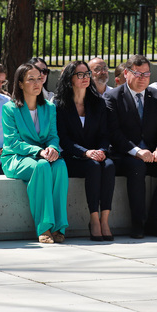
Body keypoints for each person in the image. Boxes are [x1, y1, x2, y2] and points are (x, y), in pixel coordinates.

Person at [105, 55, 157, 238]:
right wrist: (137, 151)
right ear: (126, 73)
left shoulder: (156, 96)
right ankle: (138, 223)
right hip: (124, 155)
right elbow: (114, 134)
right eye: (138, 74)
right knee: (137, 166)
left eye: (146, 74)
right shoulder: (113, 97)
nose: (143, 78)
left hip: (151, 154)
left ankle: (154, 221)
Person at [1, 63, 68, 244]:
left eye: (39, 78)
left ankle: (59, 226)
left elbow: (53, 136)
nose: (37, 83)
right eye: (31, 79)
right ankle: (44, 226)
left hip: (43, 155)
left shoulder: (49, 107)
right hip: (16, 158)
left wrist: (52, 148)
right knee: (43, 166)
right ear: (20, 84)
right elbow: (13, 142)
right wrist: (39, 151)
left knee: (60, 165)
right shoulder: (9, 108)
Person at [55, 61, 115, 241]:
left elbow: (105, 134)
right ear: (70, 79)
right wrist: (85, 152)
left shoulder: (98, 103)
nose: (85, 78)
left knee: (109, 165)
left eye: (87, 74)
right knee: (93, 167)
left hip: (96, 154)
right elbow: (63, 139)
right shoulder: (60, 105)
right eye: (80, 75)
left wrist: (102, 150)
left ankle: (105, 220)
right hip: (73, 157)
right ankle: (93, 219)